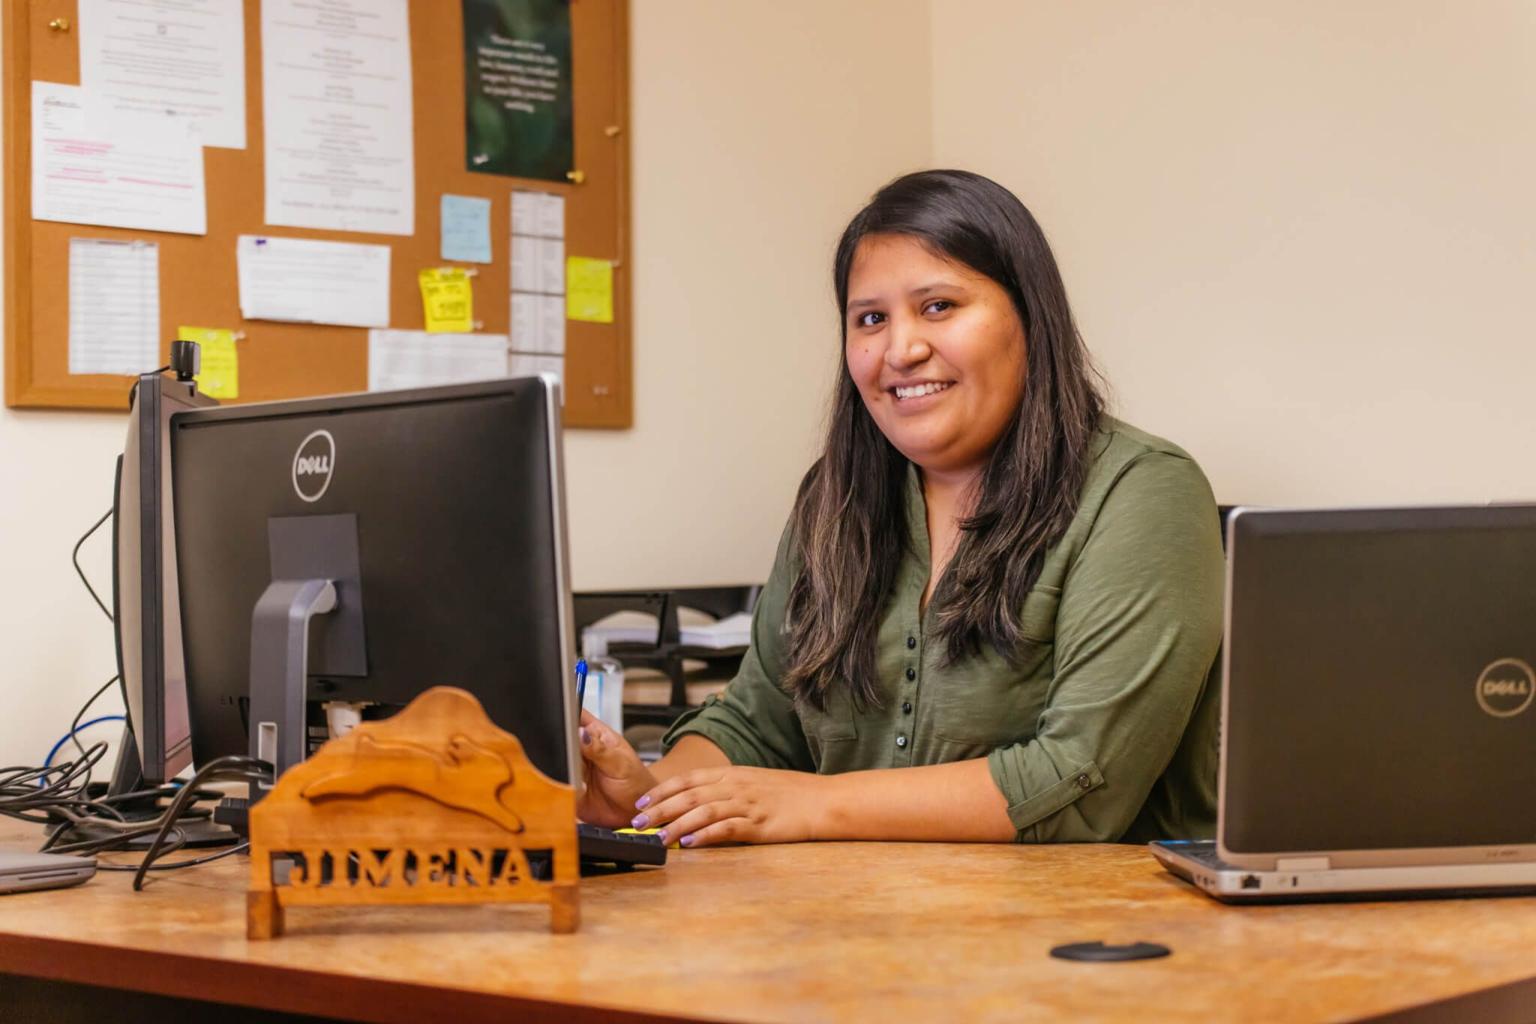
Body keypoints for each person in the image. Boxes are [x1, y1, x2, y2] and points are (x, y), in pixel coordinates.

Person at [578, 169, 1224, 847]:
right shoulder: (834, 500)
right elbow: (756, 724)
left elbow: (1079, 783)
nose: (902, 349)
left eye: (939, 306)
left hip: (1092, 940)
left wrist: (808, 805)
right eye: (871, 319)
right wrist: (652, 800)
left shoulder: (1142, 491)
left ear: (1031, 319)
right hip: (861, 929)